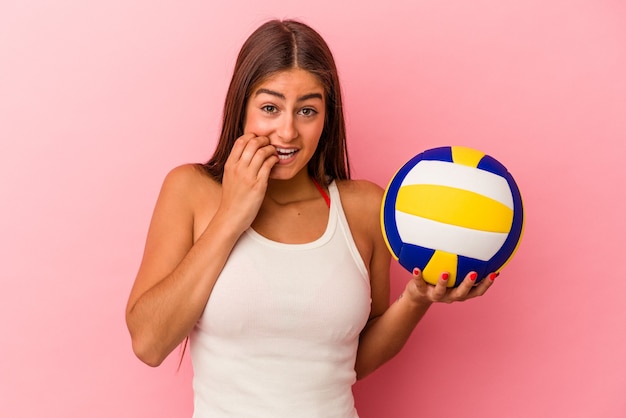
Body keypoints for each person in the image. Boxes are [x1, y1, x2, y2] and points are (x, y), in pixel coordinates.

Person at [125, 19, 496, 417]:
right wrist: (232, 214)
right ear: (241, 109)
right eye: (270, 108)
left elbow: (349, 363)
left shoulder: (367, 207)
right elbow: (149, 343)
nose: (287, 132)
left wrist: (417, 299)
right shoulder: (191, 190)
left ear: (326, 117)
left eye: (306, 111)